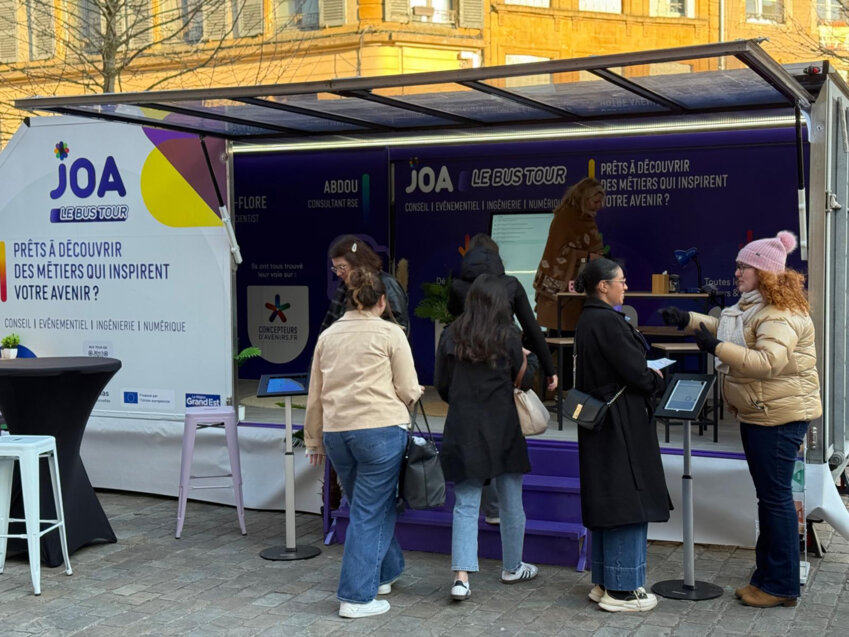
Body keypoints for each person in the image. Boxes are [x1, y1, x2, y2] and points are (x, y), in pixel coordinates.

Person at [660, 230, 821, 609]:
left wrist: (716, 348)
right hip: (761, 412)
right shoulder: (754, 307)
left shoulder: (778, 314)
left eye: (743, 267)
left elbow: (767, 363)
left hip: (777, 417)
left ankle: (779, 585)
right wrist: (689, 320)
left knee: (775, 499)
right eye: (737, 266)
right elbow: (732, 328)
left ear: (763, 272)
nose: (736, 273)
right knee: (770, 498)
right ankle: (767, 578)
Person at [304, 267, 423, 619]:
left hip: (338, 431)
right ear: (383, 301)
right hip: (381, 430)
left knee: (366, 506)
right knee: (369, 511)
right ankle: (356, 597)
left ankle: (386, 572)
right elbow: (408, 387)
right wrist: (413, 395)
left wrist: (313, 441)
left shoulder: (328, 337)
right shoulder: (391, 333)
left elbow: (315, 395)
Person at [574, 257, 669, 613]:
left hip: (601, 421)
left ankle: (603, 582)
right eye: (621, 281)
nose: (625, 286)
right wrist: (653, 378)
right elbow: (634, 371)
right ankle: (623, 589)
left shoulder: (587, 318)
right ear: (603, 285)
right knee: (628, 499)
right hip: (621, 423)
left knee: (607, 497)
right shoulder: (609, 322)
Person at [435, 274, 538, 602]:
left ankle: (461, 578)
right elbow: (526, 380)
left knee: (465, 503)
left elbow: (442, 385)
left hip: (463, 425)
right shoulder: (509, 335)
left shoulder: (452, 334)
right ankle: (512, 566)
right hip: (503, 426)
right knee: (511, 500)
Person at [448, 233, 558, 524]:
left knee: (473, 441)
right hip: (503, 365)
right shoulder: (509, 284)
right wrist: (550, 368)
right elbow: (532, 328)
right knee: (503, 438)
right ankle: (499, 513)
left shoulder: (458, 285)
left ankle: (488, 507)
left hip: (467, 373)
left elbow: (451, 318)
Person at [533, 178, 606, 331]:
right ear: (584, 199)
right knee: (562, 340)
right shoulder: (564, 219)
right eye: (596, 202)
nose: (599, 206)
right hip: (560, 293)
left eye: (601, 202)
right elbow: (557, 252)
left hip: (582, 290)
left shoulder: (588, 219)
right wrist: (587, 256)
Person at [320, 235, 410, 335]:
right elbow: (328, 328)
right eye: (335, 269)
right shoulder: (344, 287)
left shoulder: (386, 283)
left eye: (342, 267)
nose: (338, 273)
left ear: (357, 261)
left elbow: (400, 327)